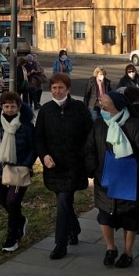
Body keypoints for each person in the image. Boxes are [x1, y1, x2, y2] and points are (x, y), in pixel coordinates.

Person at [85, 91, 139, 268]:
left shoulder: (134, 125)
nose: (102, 107)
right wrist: (93, 169)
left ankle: (127, 253)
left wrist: (136, 174)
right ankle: (111, 248)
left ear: (116, 106)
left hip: (130, 183)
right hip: (105, 180)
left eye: (105, 105)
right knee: (104, 217)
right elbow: (90, 148)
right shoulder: (100, 124)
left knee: (130, 220)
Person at [35, 73, 93, 260]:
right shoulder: (46, 110)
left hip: (74, 165)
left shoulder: (79, 108)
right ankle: (74, 228)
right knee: (65, 203)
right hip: (54, 166)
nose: (57, 91)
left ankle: (60, 244)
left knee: (63, 203)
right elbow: (39, 138)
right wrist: (44, 156)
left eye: (61, 88)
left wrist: (85, 157)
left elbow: (89, 135)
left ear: (68, 89)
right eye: (54, 88)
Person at [0, 91, 37, 252]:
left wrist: (26, 164)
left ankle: (12, 238)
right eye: (7, 106)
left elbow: (34, 148)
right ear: (1, 107)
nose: (10, 110)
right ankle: (21, 220)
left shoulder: (26, 126)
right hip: (0, 169)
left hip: (19, 170)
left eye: (13, 107)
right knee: (4, 201)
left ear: (19, 107)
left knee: (12, 202)